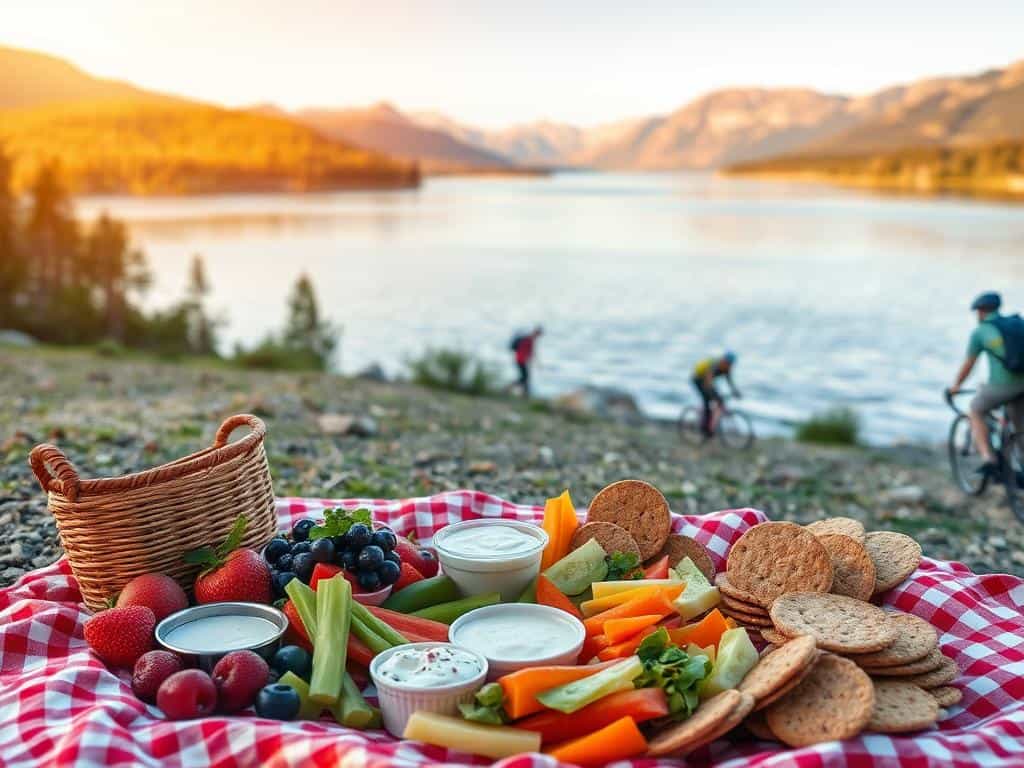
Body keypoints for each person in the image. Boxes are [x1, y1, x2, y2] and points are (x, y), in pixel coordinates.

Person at [948, 291, 1024, 479]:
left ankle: (988, 458)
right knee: (1020, 428)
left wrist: (956, 386)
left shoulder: (981, 332)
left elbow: (969, 364)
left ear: (980, 311)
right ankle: (1020, 466)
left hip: (1003, 386)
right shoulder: (1018, 324)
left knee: (976, 409)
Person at [692, 351, 741, 438]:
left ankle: (711, 426)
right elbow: (708, 380)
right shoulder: (715, 366)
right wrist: (712, 394)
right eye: (728, 363)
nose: (729, 365)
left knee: (718, 401)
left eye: (731, 364)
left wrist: (735, 392)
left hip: (708, 383)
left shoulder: (726, 369)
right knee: (707, 401)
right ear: (724, 361)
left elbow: (730, 382)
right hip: (698, 380)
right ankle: (705, 428)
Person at [510, 326, 542, 397]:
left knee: (525, 377)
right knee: (525, 377)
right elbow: (530, 352)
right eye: (538, 334)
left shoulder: (529, 339)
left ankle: (524, 394)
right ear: (536, 333)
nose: (538, 336)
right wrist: (534, 361)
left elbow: (530, 352)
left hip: (520, 359)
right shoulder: (528, 339)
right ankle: (511, 388)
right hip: (520, 360)